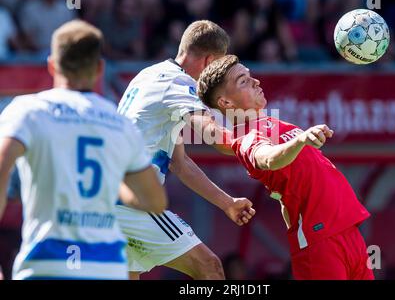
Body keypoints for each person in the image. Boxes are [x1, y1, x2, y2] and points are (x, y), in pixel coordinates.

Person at [0, 20, 167, 280]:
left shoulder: (27, 111)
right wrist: (115, 183)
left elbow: (2, 166)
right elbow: (155, 201)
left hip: (46, 263)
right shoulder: (119, 123)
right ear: (100, 68)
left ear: (52, 65)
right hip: (106, 267)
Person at [197, 55, 373, 280]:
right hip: (320, 240)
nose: (255, 82)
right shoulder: (246, 138)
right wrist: (301, 140)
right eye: (243, 81)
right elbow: (268, 158)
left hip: (348, 232)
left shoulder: (273, 124)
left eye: (251, 76)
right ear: (226, 103)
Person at [116, 20, 255, 280]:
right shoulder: (178, 84)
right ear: (209, 62)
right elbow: (213, 134)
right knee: (209, 267)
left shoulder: (148, 75)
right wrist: (261, 141)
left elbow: (181, 164)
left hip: (112, 199)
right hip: (130, 202)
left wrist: (228, 203)